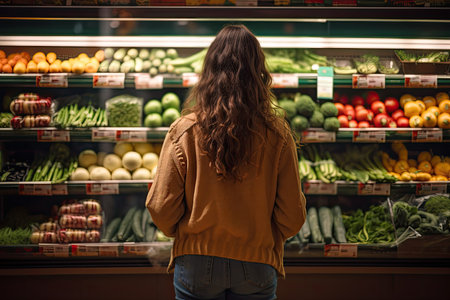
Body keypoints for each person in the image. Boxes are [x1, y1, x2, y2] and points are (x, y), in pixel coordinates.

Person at [146, 24, 306, 300]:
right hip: (257, 263)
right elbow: (292, 217)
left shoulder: (183, 130)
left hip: (196, 264)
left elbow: (160, 208)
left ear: (208, 71)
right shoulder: (278, 134)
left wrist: (189, 230)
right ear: (259, 74)